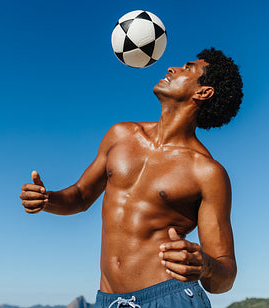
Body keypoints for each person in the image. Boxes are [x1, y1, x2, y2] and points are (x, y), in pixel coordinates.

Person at [20, 47, 243, 308]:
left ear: (203, 92)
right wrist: (46, 199)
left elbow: (225, 275)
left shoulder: (207, 172)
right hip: (108, 300)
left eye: (188, 68)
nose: (172, 68)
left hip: (170, 297)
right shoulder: (120, 135)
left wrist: (204, 265)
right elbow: (80, 196)